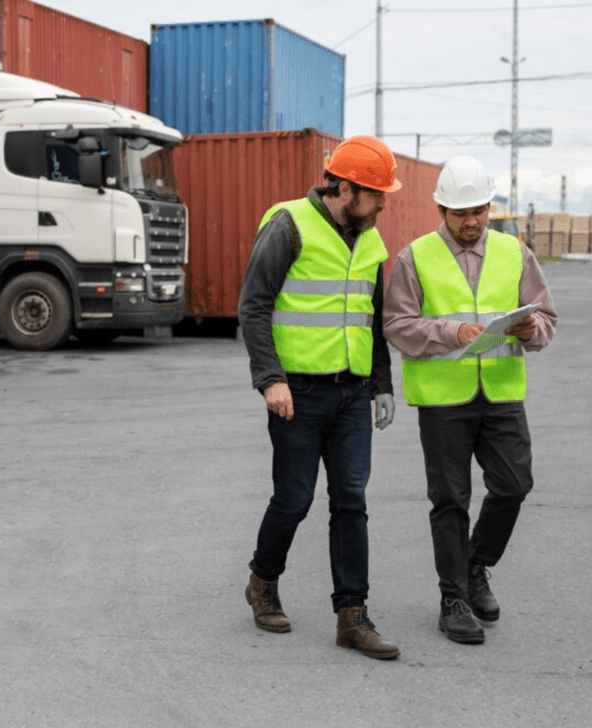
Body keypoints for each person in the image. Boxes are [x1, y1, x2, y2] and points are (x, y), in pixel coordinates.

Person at [238, 135, 402, 660]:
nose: (384, 203)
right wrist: (271, 378)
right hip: (299, 393)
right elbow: (253, 307)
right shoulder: (288, 225)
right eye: (376, 194)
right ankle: (262, 582)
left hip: (352, 392)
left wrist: (381, 383)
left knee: (351, 500)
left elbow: (371, 321)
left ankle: (351, 615)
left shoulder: (372, 240)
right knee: (294, 498)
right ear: (346, 188)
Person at [383, 156, 558, 644]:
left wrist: (531, 328)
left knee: (513, 486)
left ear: (489, 205)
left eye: (478, 209)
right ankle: (453, 598)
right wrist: (451, 330)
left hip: (501, 392)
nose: (471, 221)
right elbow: (396, 325)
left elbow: (546, 319)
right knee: (450, 500)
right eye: (460, 212)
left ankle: (476, 565)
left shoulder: (515, 253)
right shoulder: (413, 258)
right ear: (441, 208)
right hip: (444, 399)